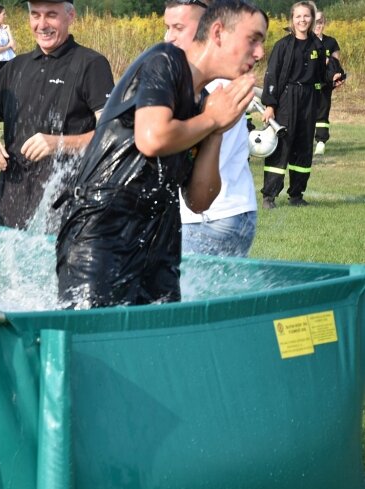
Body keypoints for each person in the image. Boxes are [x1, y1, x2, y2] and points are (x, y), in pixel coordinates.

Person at [56, 0, 267, 309]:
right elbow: (151, 138)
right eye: (254, 39)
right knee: (95, 344)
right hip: (100, 237)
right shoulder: (164, 60)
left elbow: (199, 200)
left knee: (155, 344)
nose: (260, 53)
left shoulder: (205, 103)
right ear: (218, 33)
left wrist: (217, 131)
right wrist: (211, 120)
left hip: (158, 244)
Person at [0, 0, 114, 230]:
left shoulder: (91, 64)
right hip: (10, 206)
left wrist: (60, 144)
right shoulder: (15, 68)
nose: (42, 24)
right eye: (35, 15)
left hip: (67, 210)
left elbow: (113, 135)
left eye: (51, 15)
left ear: (70, 16)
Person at [165, 0, 258, 257]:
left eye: (178, 27)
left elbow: (166, 140)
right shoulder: (204, 75)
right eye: (168, 27)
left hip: (211, 217)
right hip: (227, 209)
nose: (168, 37)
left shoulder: (211, 79)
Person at [260, 1, 334, 208]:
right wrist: (270, 105)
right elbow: (272, 76)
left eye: (306, 16)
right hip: (287, 98)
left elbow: (322, 76)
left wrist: (333, 78)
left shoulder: (318, 46)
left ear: (312, 19)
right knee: (282, 146)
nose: (302, 20)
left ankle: (297, 195)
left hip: (309, 98)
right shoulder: (282, 45)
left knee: (303, 147)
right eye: (298, 16)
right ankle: (269, 196)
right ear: (292, 19)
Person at [312, 10, 344, 156]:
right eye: (315, 22)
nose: (318, 25)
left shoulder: (331, 42)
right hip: (306, 84)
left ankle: (320, 142)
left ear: (324, 23)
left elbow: (336, 65)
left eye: (320, 22)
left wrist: (338, 77)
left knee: (322, 112)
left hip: (325, 84)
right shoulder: (304, 40)